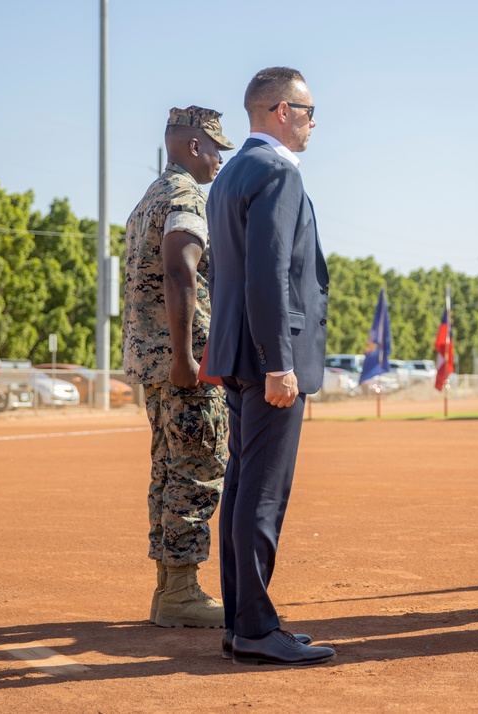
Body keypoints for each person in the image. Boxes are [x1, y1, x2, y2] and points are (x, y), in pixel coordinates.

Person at [205, 67, 335, 666]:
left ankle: (241, 623)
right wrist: (279, 362)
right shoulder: (279, 173)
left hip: (237, 353)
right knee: (262, 495)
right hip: (268, 362)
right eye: (309, 112)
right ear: (282, 111)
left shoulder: (231, 173)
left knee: (241, 489)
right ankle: (256, 628)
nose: (313, 124)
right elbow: (268, 275)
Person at [122, 106, 234, 629]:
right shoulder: (186, 195)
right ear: (193, 146)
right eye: (215, 148)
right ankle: (182, 591)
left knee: (168, 468)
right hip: (182, 363)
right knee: (198, 466)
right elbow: (178, 267)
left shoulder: (148, 198)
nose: (218, 160)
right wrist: (189, 354)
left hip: (152, 361)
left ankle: (169, 585)